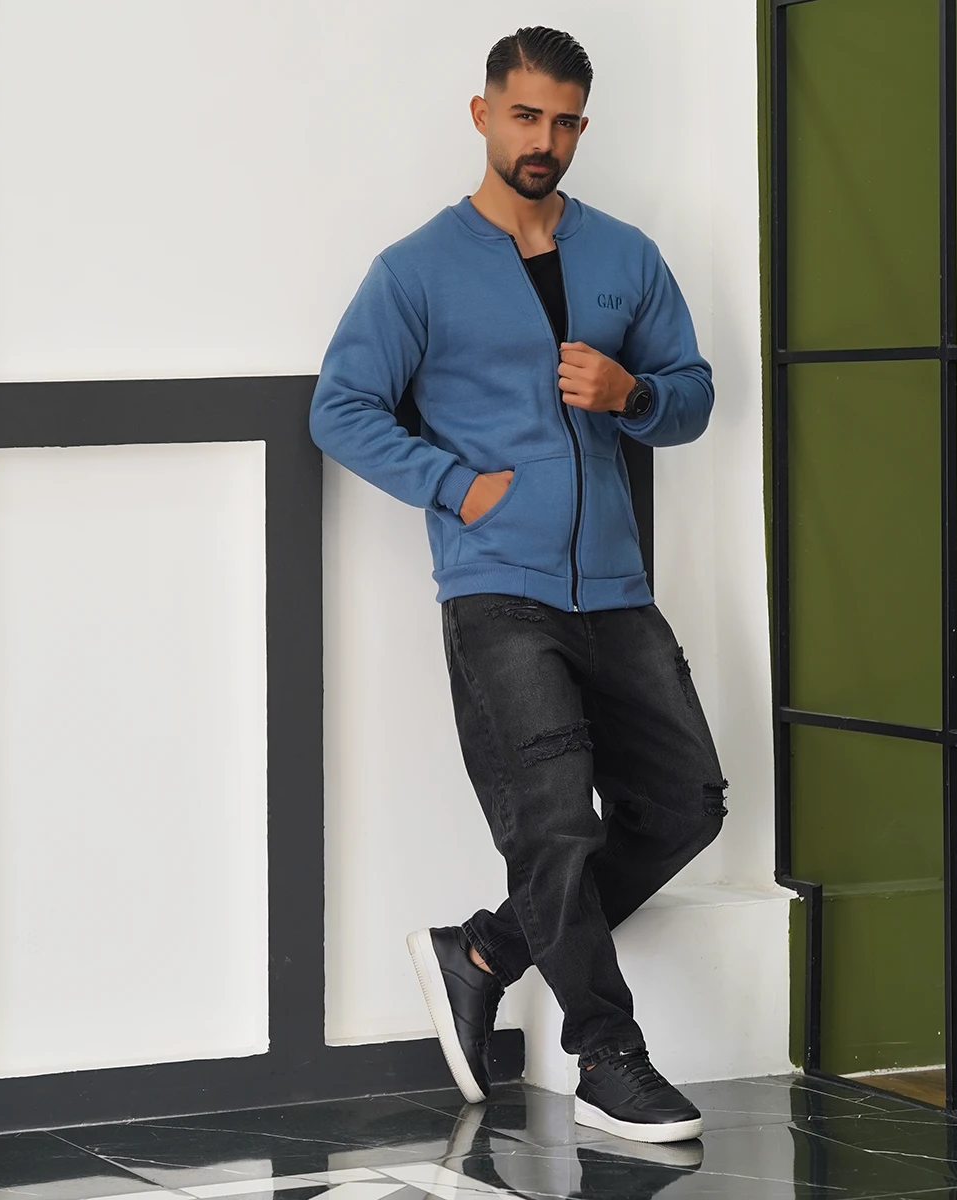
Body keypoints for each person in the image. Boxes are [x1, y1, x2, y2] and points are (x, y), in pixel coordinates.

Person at [309, 25, 728, 1145]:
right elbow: (339, 407)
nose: (544, 139)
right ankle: (608, 1056)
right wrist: (457, 487)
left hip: (616, 588)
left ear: (582, 126)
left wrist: (633, 393)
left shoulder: (626, 255)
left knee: (686, 805)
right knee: (553, 827)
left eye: (565, 121)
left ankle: (485, 951)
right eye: (525, 115)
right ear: (484, 114)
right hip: (497, 587)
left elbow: (692, 394)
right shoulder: (416, 269)